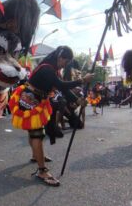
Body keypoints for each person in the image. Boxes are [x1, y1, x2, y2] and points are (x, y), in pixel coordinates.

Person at [8, 46, 93, 187]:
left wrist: (77, 100)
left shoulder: (53, 70)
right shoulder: (47, 68)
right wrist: (81, 81)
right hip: (30, 99)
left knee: (34, 131)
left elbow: (62, 88)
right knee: (37, 133)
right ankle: (42, 171)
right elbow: (60, 84)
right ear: (60, 58)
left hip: (36, 99)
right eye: (65, 62)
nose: (65, 65)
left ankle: (36, 156)